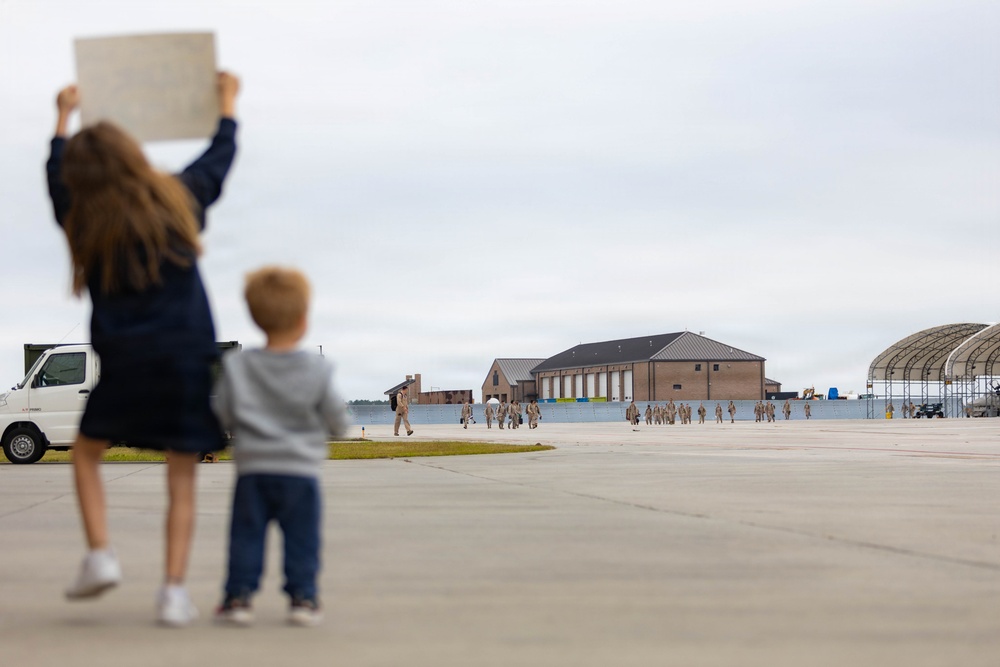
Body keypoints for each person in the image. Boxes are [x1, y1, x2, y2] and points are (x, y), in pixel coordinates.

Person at [49, 73, 240, 625]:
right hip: (186, 359)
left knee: (86, 454)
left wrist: (62, 118)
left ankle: (100, 555)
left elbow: (55, 180)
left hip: (125, 362)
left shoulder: (84, 219)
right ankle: (173, 593)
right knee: (181, 476)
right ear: (134, 157)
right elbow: (219, 159)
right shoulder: (180, 199)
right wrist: (227, 104)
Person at [212, 267, 349, 627]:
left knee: (246, 536)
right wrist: (334, 428)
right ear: (303, 320)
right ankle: (303, 598)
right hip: (300, 472)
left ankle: (238, 598)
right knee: (302, 538)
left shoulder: (237, 365)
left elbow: (223, 414)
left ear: (255, 317)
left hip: (253, 470)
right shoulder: (317, 369)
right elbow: (337, 418)